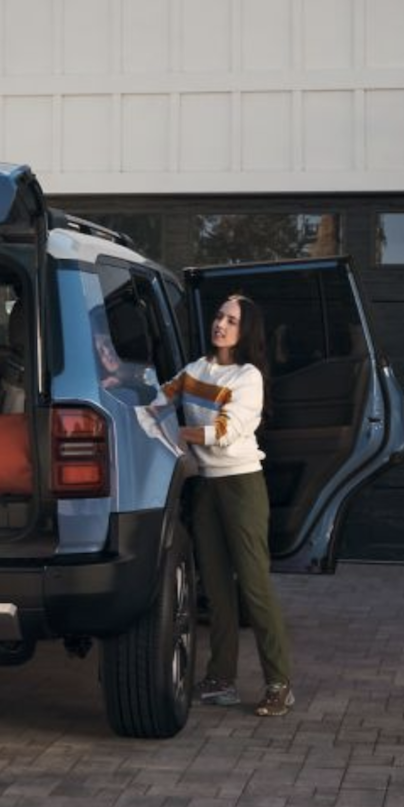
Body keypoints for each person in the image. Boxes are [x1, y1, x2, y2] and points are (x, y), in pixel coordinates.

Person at [160, 294, 296, 717]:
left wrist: (178, 433)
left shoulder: (247, 376)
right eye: (219, 316)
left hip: (241, 486)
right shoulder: (196, 370)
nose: (221, 324)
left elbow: (225, 431)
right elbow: (158, 400)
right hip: (206, 489)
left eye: (231, 320)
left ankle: (280, 684)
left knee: (253, 587)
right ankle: (222, 679)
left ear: (246, 330)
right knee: (216, 590)